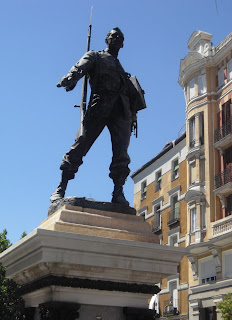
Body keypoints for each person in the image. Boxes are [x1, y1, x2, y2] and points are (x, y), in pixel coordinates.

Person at [50, 27, 145, 205]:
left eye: (119, 37)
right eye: (112, 36)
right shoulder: (95, 55)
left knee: (121, 154)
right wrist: (70, 79)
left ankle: (118, 192)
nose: (116, 38)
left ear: (123, 44)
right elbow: (80, 67)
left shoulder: (122, 69)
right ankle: (61, 187)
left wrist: (132, 115)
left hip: (121, 111)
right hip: (99, 105)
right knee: (81, 143)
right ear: (106, 39)